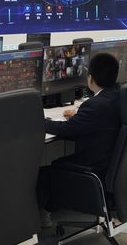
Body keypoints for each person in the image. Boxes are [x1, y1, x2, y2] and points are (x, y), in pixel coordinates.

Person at [39, 52, 122, 226]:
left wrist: (40, 122)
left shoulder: (95, 105)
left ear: (90, 78)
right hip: (112, 164)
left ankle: (43, 215)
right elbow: (97, 118)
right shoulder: (119, 95)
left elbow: (65, 130)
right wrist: (80, 115)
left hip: (94, 167)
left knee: (46, 172)